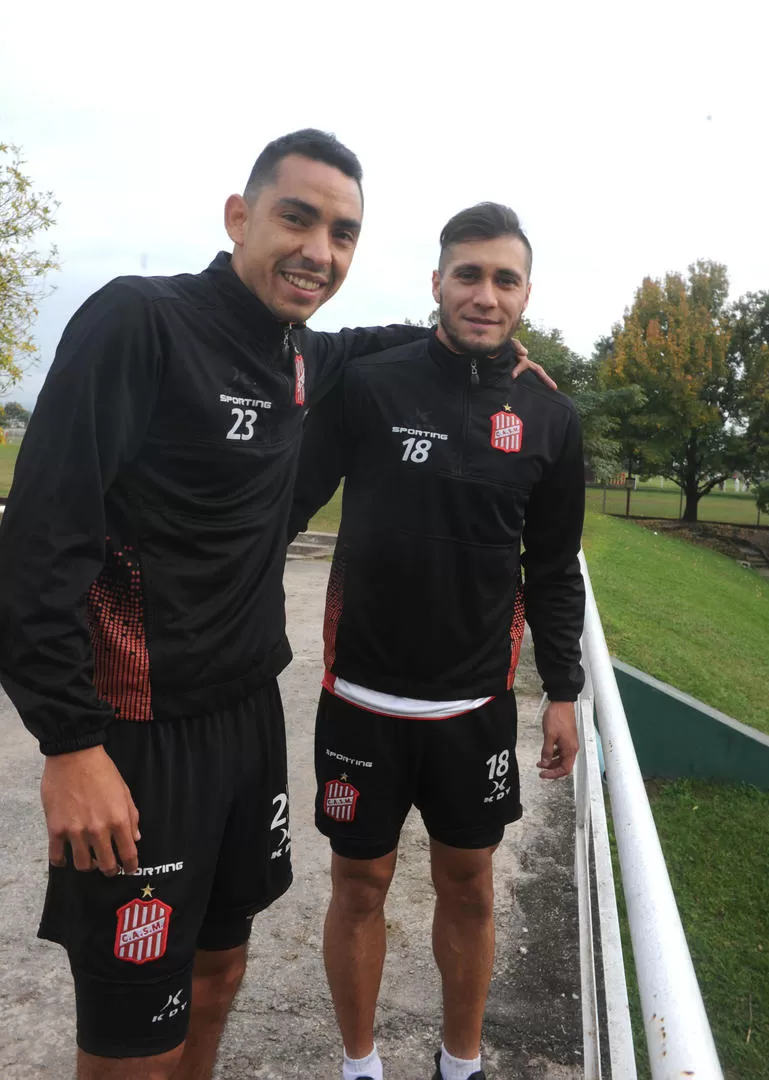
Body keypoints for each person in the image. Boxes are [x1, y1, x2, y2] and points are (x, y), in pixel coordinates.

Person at [0, 133, 546, 1080]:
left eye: (343, 233)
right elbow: (37, 546)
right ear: (239, 216)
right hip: (137, 733)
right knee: (135, 1029)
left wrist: (489, 351)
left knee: (216, 978)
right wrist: (68, 744)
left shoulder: (301, 359)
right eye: (297, 218)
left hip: (247, 723)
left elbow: (389, 344)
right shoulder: (141, 320)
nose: (319, 251)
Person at [289, 202, 586, 1080]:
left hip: (473, 706)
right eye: (468, 274)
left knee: (469, 887)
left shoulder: (549, 417)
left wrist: (561, 690)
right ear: (436, 282)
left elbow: (553, 567)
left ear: (526, 293)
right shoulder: (371, 383)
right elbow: (286, 507)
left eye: (503, 278)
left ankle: (460, 1065)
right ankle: (360, 1066)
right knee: (358, 888)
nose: (484, 294)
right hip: (360, 700)